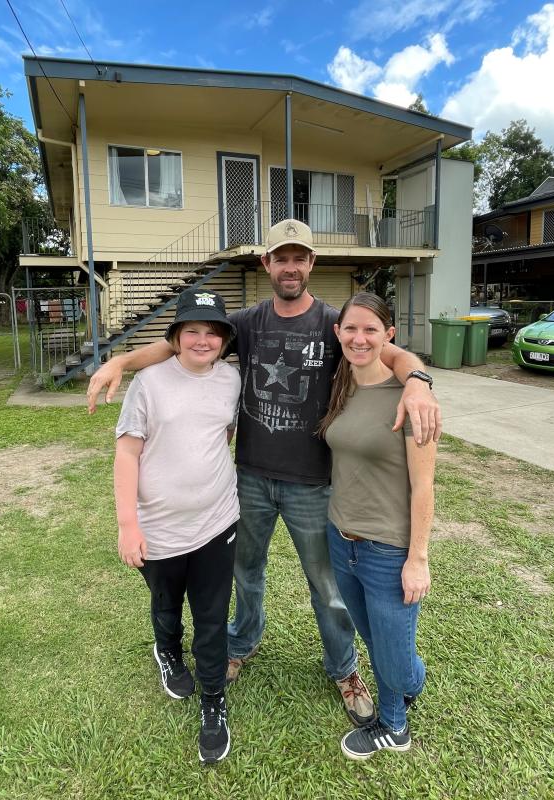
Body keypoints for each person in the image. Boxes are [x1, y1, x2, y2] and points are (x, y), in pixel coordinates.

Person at [93, 219, 441, 728]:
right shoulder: (248, 322)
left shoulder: (333, 322)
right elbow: (178, 344)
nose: (291, 266)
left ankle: (343, 668)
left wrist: (418, 381)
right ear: (267, 264)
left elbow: (391, 351)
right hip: (250, 478)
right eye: (282, 257)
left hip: (313, 482)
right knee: (245, 573)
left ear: (311, 264)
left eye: (300, 257)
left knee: (327, 585)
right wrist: (123, 360)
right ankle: (242, 642)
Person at [114, 289, 240, 764]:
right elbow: (127, 453)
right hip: (160, 527)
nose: (202, 340)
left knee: (211, 618)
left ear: (224, 340)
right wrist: (129, 524)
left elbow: (222, 435)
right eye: (192, 331)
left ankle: (213, 702)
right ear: (175, 337)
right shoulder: (149, 382)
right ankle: (167, 650)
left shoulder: (231, 380)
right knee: (167, 603)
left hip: (217, 522)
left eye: (212, 332)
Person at [318, 292, 435, 760]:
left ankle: (394, 726)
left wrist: (418, 558)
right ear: (338, 333)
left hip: (387, 548)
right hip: (340, 538)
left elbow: (424, 486)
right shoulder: (342, 385)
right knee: (376, 639)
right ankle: (406, 682)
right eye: (350, 328)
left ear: (389, 335)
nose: (359, 338)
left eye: (371, 329)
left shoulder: (413, 400)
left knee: (391, 653)